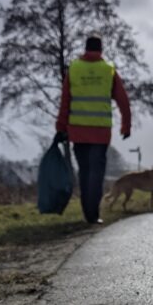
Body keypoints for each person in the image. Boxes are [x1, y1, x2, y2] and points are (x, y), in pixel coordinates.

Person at [55, 34, 131, 224]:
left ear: (85, 48)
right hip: (100, 131)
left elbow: (65, 101)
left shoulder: (74, 69)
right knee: (96, 173)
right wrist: (125, 125)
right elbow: (123, 100)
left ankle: (87, 212)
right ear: (101, 49)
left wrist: (60, 127)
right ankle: (93, 214)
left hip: (78, 131)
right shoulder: (108, 70)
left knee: (84, 171)